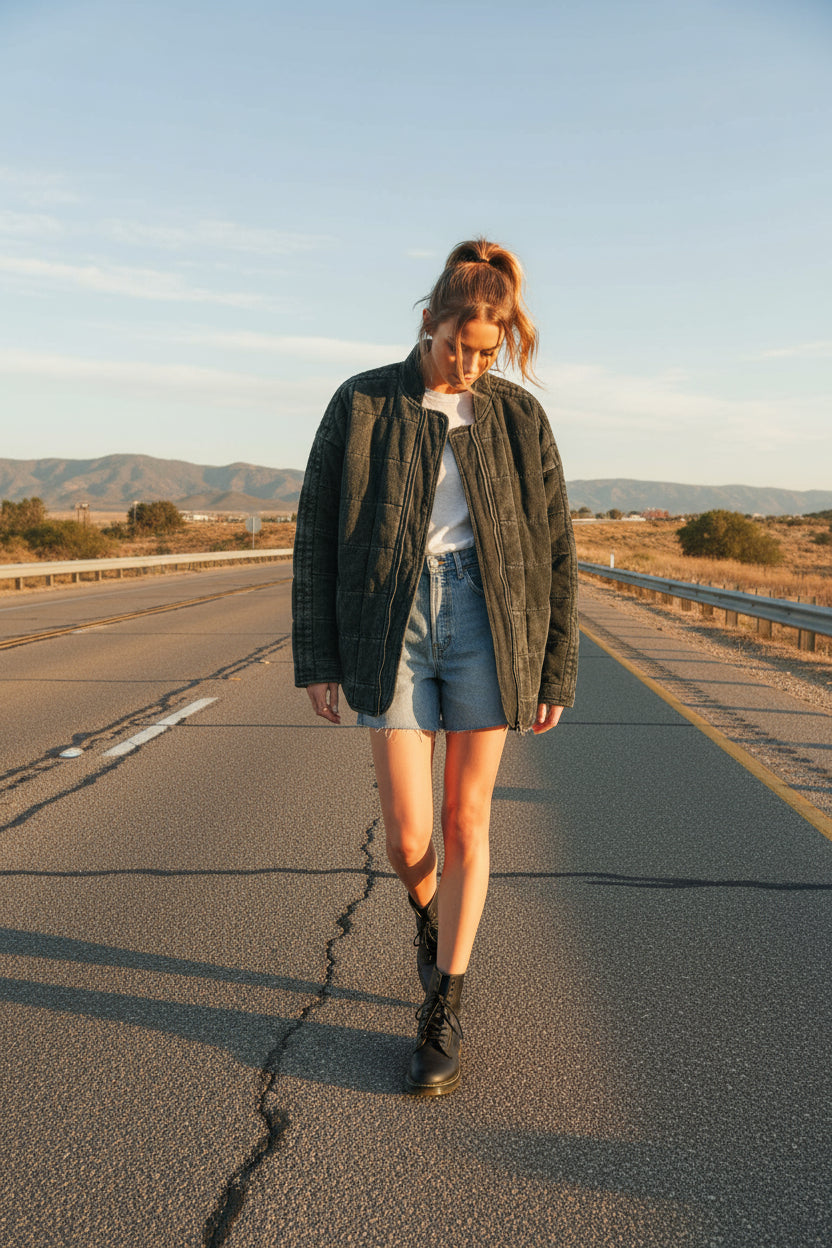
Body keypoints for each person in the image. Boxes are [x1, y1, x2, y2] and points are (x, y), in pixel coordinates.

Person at [292, 237, 578, 1096]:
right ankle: (430, 917)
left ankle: (443, 1002)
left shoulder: (518, 417)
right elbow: (316, 532)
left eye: (487, 352)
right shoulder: (363, 402)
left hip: (490, 620)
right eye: (459, 343)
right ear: (429, 320)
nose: (470, 362)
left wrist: (554, 667)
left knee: (467, 820)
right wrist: (318, 654)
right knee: (408, 831)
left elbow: (556, 548)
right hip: (394, 617)